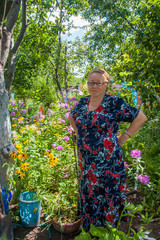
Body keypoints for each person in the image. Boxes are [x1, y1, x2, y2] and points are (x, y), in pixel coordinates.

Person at [69, 68, 147, 231]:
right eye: (91, 82)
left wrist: (123, 138)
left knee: (107, 196)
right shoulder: (83, 103)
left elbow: (141, 118)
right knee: (90, 194)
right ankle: (91, 230)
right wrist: (79, 134)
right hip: (88, 163)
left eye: (98, 82)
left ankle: (108, 231)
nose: (94, 86)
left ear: (106, 84)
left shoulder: (114, 103)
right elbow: (71, 116)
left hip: (109, 164)